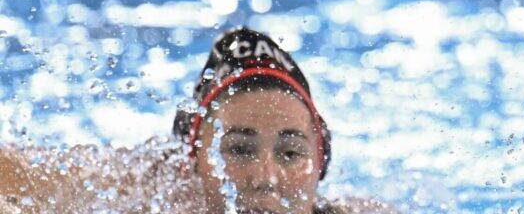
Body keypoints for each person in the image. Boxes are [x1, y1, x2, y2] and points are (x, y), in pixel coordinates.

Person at [0, 27, 395, 214]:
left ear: (320, 161)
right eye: (238, 149)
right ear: (193, 160)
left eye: (291, 152)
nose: (266, 177)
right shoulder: (150, 194)